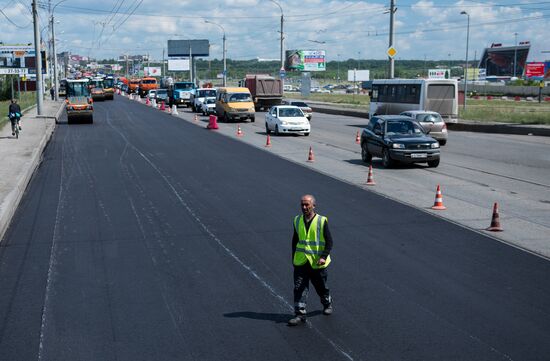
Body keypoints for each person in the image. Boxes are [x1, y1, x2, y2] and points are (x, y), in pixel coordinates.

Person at [288, 194, 333, 326]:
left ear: (313, 205)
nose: (304, 207)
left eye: (307, 204)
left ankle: (327, 303)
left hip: (317, 262)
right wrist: (293, 258)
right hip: (301, 261)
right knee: (299, 287)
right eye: (302, 204)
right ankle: (299, 314)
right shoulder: (297, 220)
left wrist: (323, 257)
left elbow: (329, 241)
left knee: (321, 286)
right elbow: (295, 240)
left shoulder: (321, 221)